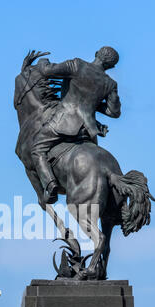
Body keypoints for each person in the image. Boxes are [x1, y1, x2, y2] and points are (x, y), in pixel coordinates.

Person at [32, 46, 121, 204]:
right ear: (112, 66)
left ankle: (50, 185)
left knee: (37, 149)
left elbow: (46, 71)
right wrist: (92, 102)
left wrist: (42, 61)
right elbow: (114, 112)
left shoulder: (77, 65)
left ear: (96, 53)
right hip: (88, 130)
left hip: (63, 123)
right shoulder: (110, 83)